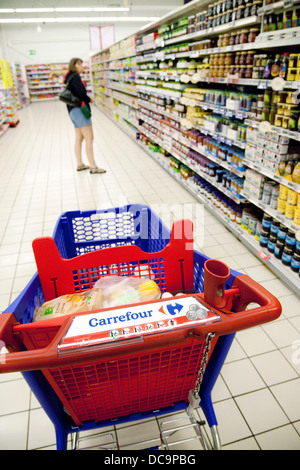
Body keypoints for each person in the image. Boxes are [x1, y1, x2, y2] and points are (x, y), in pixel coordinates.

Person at [64, 57, 106, 174]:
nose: (82, 67)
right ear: (75, 65)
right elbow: (81, 93)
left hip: (72, 111)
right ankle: (93, 166)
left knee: (79, 138)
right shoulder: (76, 77)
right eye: (80, 64)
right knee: (89, 138)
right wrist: (89, 99)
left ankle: (80, 164)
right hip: (79, 110)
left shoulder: (68, 77)